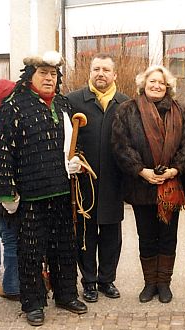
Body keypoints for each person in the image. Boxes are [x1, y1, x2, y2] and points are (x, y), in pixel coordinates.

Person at [0, 51, 88, 326]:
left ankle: (66, 294)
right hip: (30, 194)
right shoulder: (14, 105)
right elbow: (3, 152)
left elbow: (74, 142)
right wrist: (6, 191)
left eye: (53, 74)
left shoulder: (63, 104)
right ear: (30, 76)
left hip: (61, 190)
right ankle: (33, 302)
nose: (49, 78)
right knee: (31, 251)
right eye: (43, 73)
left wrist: (76, 160)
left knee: (65, 248)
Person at [111, 65, 185, 303]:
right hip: (141, 185)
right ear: (143, 85)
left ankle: (164, 284)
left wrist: (175, 169)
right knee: (146, 236)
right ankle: (149, 284)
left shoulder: (181, 110)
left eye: (161, 83)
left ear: (168, 87)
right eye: (152, 82)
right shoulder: (127, 110)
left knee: (168, 237)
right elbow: (121, 145)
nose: (157, 86)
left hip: (171, 185)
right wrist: (141, 171)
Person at [66, 53, 129, 303]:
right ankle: (89, 281)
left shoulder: (125, 103)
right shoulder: (73, 101)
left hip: (115, 180)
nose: (100, 73)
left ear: (114, 75)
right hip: (84, 183)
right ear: (90, 73)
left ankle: (107, 280)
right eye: (96, 69)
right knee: (86, 233)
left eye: (105, 69)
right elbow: (66, 137)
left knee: (112, 234)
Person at [0, 79, 20, 299]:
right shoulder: (6, 120)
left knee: (2, 233)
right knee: (10, 236)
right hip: (5, 185)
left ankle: (5, 279)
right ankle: (11, 285)